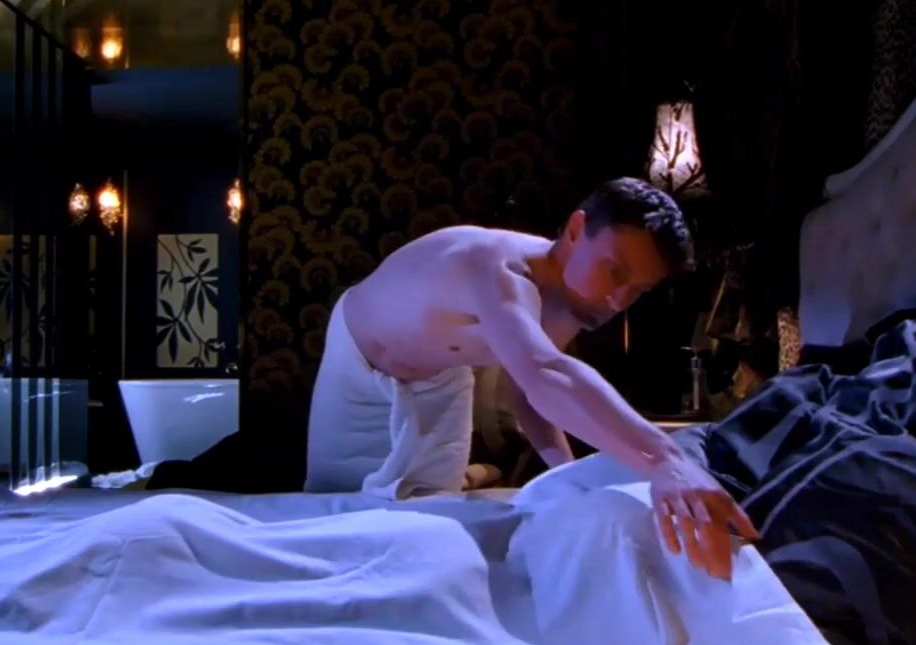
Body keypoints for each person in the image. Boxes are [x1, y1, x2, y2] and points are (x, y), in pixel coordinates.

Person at [305, 177, 760, 580]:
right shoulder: (495, 267)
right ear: (577, 230)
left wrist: (567, 481)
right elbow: (546, 375)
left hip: (441, 383)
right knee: (333, 531)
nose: (619, 300)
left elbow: (528, 392)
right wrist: (667, 460)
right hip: (360, 368)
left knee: (425, 538)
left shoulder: (573, 300)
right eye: (615, 271)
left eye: (637, 289)